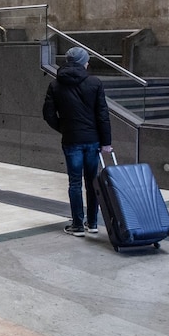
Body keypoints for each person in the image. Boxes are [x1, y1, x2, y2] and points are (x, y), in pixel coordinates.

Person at [42, 46, 113, 237]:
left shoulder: (55, 85)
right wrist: (106, 141)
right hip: (93, 141)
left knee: (74, 183)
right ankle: (92, 223)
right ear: (84, 62)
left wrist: (64, 128)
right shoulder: (95, 83)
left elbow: (48, 114)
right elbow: (103, 115)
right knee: (92, 182)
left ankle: (77, 225)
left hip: (71, 139)